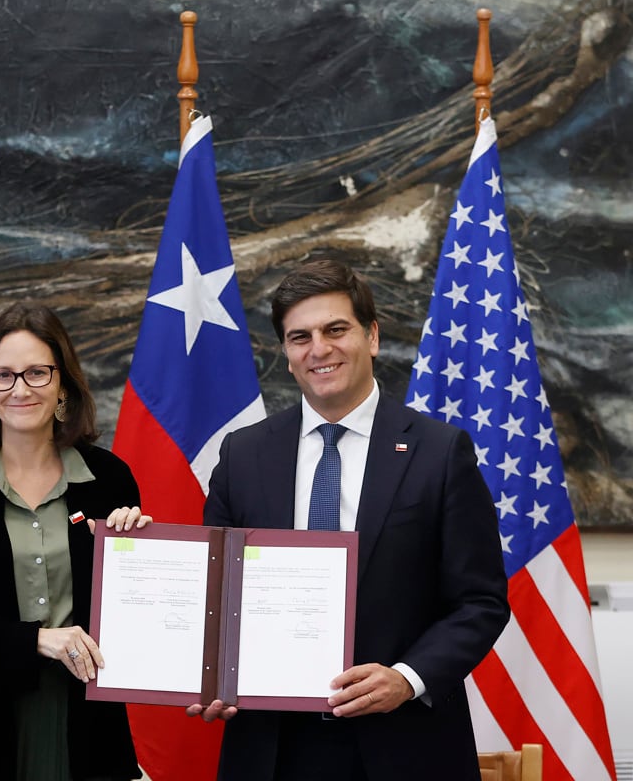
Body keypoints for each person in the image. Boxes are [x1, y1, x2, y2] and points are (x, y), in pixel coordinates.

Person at [187, 259, 509, 781]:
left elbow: (481, 600)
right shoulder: (243, 455)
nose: (319, 348)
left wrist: (407, 678)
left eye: (336, 329)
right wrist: (212, 678)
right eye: (300, 337)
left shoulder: (440, 452)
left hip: (402, 744)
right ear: (287, 355)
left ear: (372, 336)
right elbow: (216, 596)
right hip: (271, 748)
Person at [0, 302, 148, 781]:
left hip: (86, 728)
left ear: (62, 385)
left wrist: (137, 556)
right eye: (4, 376)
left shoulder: (110, 483)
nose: (20, 389)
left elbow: (138, 621)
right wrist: (33, 641)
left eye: (37, 373)